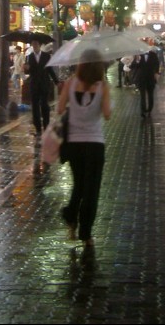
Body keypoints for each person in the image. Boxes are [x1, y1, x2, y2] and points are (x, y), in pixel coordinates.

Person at [56, 48, 112, 251]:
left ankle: (71, 214)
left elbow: (60, 109)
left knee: (79, 185)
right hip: (95, 143)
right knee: (92, 189)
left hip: (74, 144)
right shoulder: (103, 86)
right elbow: (107, 114)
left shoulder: (70, 84)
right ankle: (86, 234)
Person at [23, 39, 59, 134]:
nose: (34, 46)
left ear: (39, 45)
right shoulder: (28, 57)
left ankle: (46, 126)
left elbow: (50, 70)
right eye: (33, 44)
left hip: (44, 84)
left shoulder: (46, 56)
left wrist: (56, 82)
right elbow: (27, 72)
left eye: (36, 44)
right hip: (34, 84)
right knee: (35, 107)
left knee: (44, 105)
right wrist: (26, 69)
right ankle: (38, 128)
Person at [134, 48, 160, 118]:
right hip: (141, 78)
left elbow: (157, 64)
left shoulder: (153, 55)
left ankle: (150, 109)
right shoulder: (139, 55)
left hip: (151, 78)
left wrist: (157, 73)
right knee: (142, 95)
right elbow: (135, 67)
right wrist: (136, 61)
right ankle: (143, 110)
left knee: (150, 94)